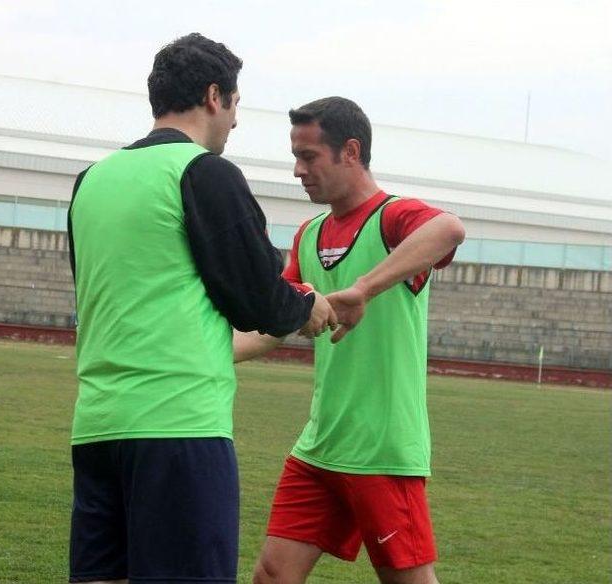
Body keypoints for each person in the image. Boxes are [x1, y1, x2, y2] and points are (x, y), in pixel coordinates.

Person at [67, 34, 336, 584]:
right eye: (236, 105)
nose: (235, 122)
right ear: (215, 96)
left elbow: (135, 299)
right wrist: (308, 308)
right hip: (178, 430)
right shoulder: (203, 172)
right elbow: (260, 296)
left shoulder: (90, 182)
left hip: (96, 429)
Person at [235, 97, 465, 584]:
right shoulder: (309, 233)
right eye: (295, 156)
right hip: (318, 447)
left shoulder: (394, 218)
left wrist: (363, 289)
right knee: (272, 575)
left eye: (310, 156)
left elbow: (449, 228)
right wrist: (203, 356)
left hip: (381, 450)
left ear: (351, 152)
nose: (298, 170)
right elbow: (277, 324)